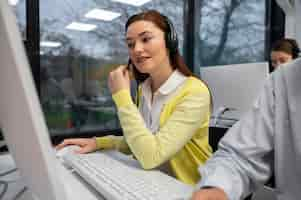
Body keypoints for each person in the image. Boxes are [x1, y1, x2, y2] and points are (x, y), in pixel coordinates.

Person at [56, 10, 212, 185]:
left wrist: (121, 97)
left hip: (189, 189)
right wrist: (98, 143)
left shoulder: (194, 91)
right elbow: (141, 141)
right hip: (155, 184)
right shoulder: (144, 89)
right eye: (130, 44)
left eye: (145, 39)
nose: (137, 49)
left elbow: (151, 156)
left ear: (169, 42)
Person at [191, 58, 301, 200]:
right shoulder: (284, 80)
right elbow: (240, 157)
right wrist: (217, 187)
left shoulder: (192, 90)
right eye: (274, 61)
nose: (277, 65)